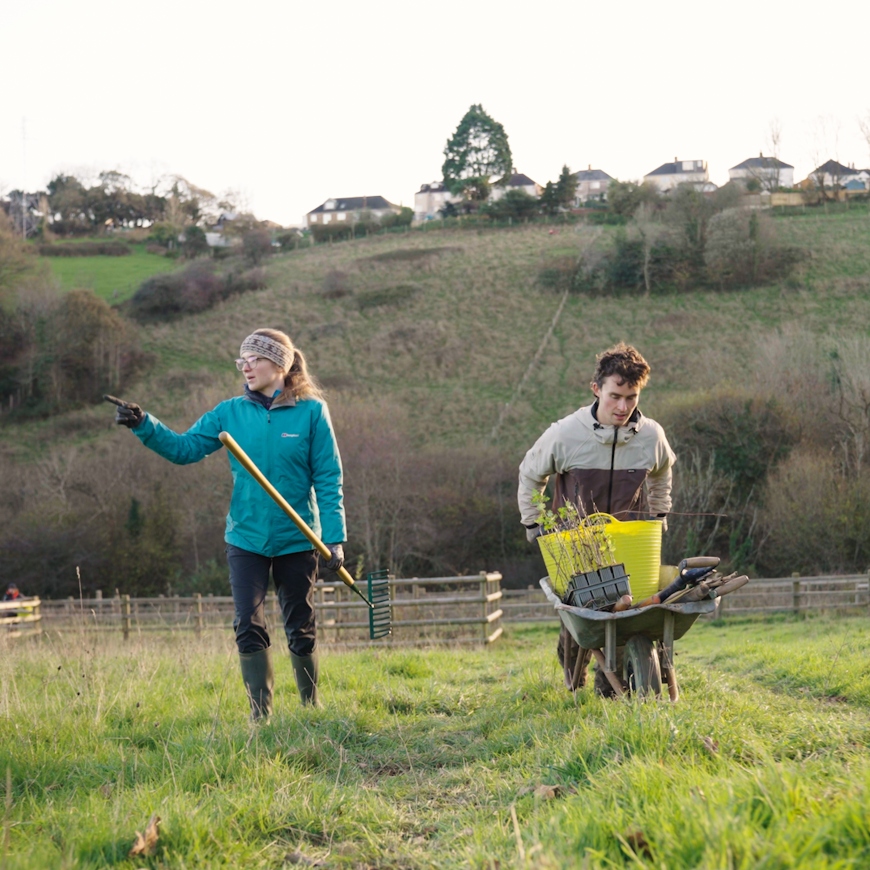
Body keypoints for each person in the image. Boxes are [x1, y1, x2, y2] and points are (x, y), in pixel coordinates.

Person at [111, 328, 346, 719]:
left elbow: (328, 477)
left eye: (254, 359)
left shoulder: (311, 412)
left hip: (299, 536)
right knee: (247, 624)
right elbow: (185, 449)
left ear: (280, 364)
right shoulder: (228, 412)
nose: (245, 366)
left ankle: (311, 708)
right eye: (242, 360)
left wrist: (334, 539)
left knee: (300, 626)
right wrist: (144, 425)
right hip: (246, 536)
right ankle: (261, 717)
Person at [517, 343, 676, 695]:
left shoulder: (651, 435)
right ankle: (575, 678)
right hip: (577, 548)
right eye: (615, 396)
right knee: (579, 629)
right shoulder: (566, 434)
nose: (623, 407)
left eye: (632, 397)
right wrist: (533, 521)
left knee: (625, 618)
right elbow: (530, 473)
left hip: (629, 544)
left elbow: (663, 472)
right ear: (596, 389)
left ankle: (613, 688)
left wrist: (660, 513)